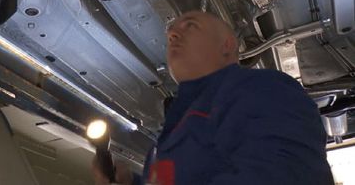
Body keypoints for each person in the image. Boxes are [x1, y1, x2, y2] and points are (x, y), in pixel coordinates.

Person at [94, 11, 334, 185]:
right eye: (170, 34)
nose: (173, 34)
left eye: (190, 25)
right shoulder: (176, 124)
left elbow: (285, 174)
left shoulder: (265, 88)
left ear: (227, 45)